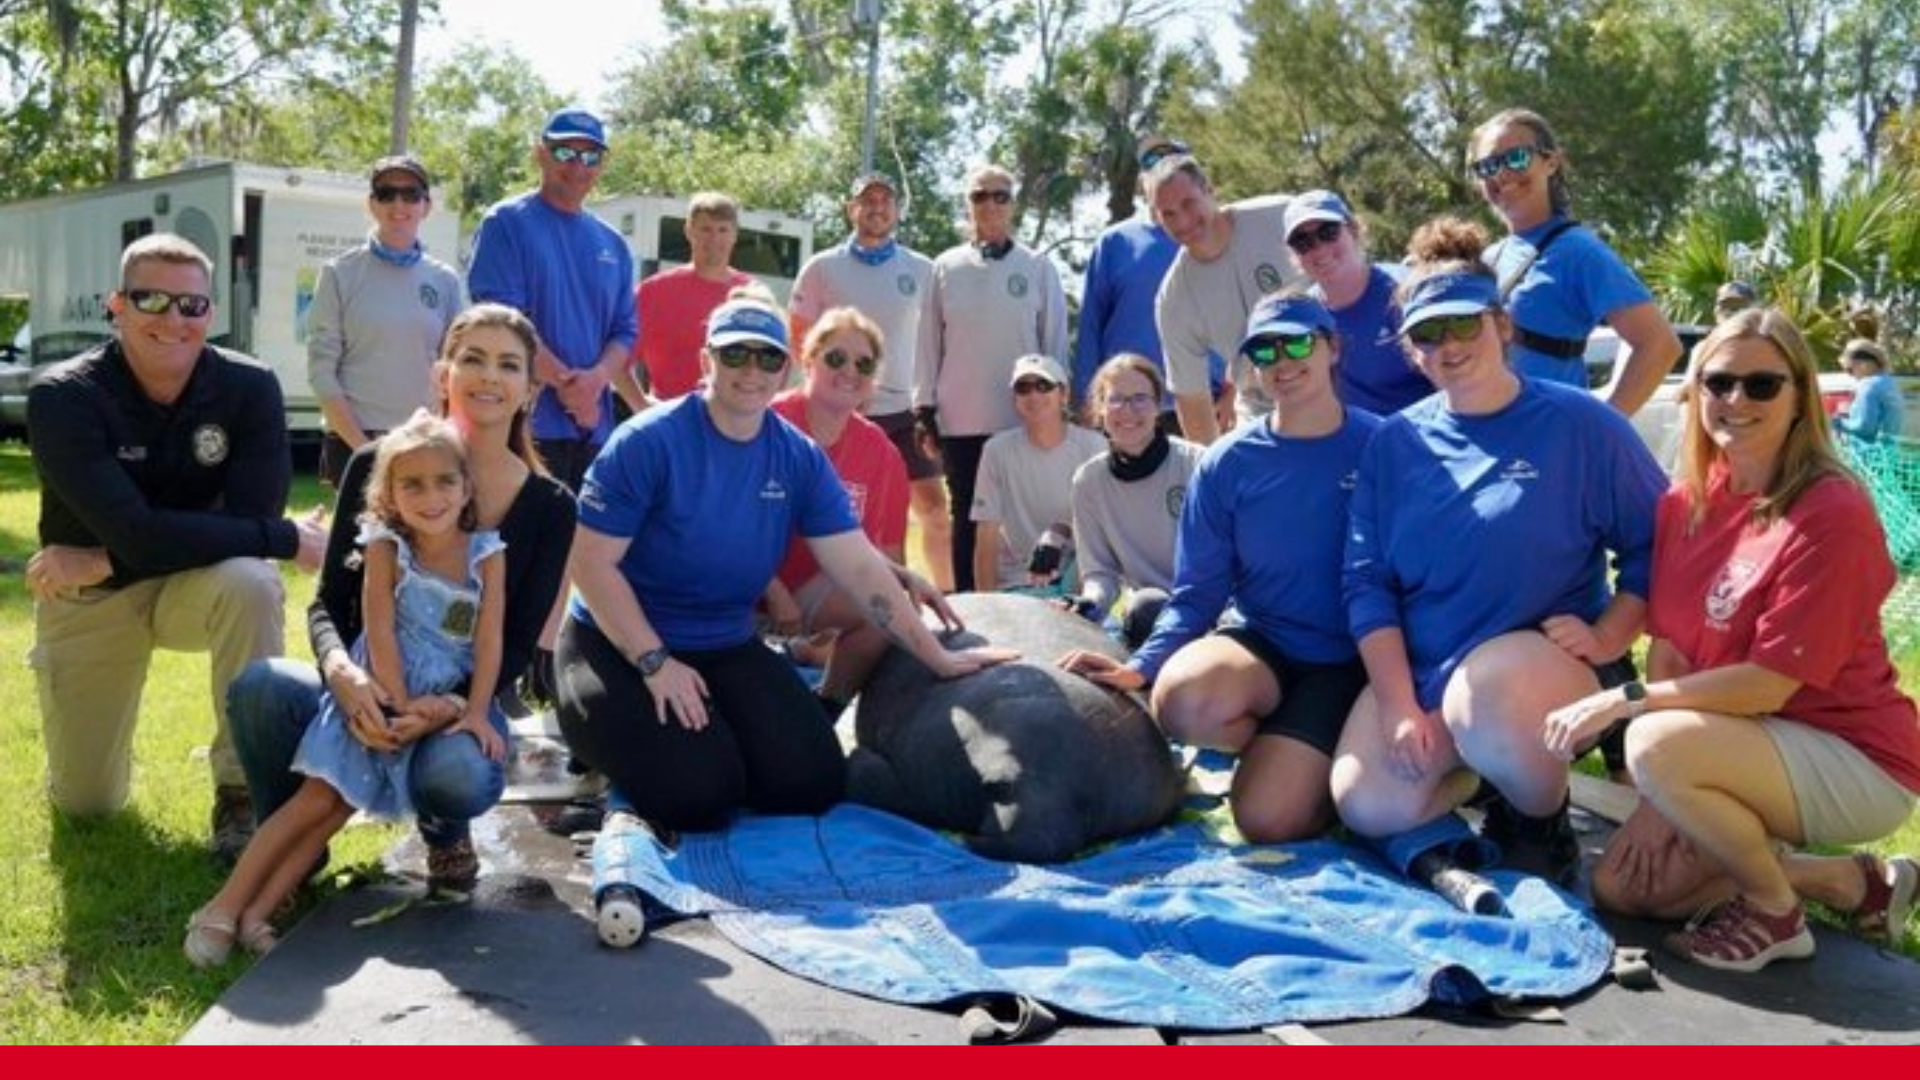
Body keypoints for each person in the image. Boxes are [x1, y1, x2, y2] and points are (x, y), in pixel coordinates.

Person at [1547, 309, 1920, 973]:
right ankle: (1852, 884)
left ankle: (1776, 914)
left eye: (1762, 385)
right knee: (1626, 888)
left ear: (1802, 395)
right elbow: (1671, 647)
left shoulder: (1832, 511)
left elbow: (1765, 686)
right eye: (1718, 382)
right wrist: (1660, 798)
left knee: (1653, 741)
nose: (1736, 400)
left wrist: (1629, 708)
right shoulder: (1686, 501)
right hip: (1737, 743)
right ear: (1696, 394)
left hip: (1854, 758)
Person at [556, 296, 1014, 835]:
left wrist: (936, 656)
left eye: (767, 359)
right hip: (617, 644)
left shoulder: (797, 457)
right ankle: (624, 760)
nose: (751, 371)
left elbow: (861, 568)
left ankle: (699, 746)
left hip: (724, 641)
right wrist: (654, 662)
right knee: (701, 797)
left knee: (811, 783)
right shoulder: (646, 442)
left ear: (784, 370)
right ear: (707, 362)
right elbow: (591, 566)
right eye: (735, 355)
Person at [1329, 218, 1668, 885]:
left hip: (1536, 674)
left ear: (1502, 325)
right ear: (1411, 352)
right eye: (1428, 334)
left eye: (1464, 324)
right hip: (1430, 673)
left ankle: (1539, 819)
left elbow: (1659, 543)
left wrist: (1608, 636)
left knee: (1482, 702)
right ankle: (1486, 781)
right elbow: (1366, 583)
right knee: (1366, 804)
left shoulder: (1584, 424)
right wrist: (1399, 704)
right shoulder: (1392, 445)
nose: (1449, 346)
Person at [229, 303, 577, 895]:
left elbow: (515, 645)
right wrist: (341, 672)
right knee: (262, 688)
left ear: (529, 391)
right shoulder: (376, 465)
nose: (489, 376)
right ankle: (286, 838)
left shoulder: (551, 506)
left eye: (508, 365)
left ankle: (445, 833)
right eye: (473, 359)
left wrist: (451, 706)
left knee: (459, 769)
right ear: (443, 375)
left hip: (466, 699)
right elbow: (327, 606)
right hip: (370, 679)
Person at [25, 232, 327, 861]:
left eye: (190, 305)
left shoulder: (249, 387)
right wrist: (285, 537)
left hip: (167, 580)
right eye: (151, 299)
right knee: (89, 805)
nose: (172, 319)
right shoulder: (64, 395)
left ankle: (244, 795)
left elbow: (247, 518)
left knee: (251, 580)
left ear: (209, 313)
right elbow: (156, 530)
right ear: (117, 305)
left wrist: (105, 553)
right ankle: (84, 766)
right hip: (91, 600)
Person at [186, 414, 509, 968]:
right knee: (312, 799)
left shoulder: (486, 552)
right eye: (412, 484)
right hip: (376, 693)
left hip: (431, 701)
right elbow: (377, 627)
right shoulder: (386, 546)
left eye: (444, 482)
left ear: (466, 486)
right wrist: (398, 705)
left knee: (336, 808)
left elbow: (490, 640)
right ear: (389, 493)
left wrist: (475, 711)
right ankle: (221, 907)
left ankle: (259, 914)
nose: (430, 497)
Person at [1059, 293, 1379, 843]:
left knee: (1266, 821)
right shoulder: (1228, 462)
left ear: (1333, 347)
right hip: (1266, 642)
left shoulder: (1384, 444)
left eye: (1298, 341)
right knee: (1182, 701)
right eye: (1263, 348)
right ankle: (1289, 746)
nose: (1282, 360)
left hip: (1356, 660)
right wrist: (1143, 667)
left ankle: (1315, 759)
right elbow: (1197, 590)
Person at [788, 173, 950, 591]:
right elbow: (798, 335)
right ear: (851, 208)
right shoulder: (821, 268)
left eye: (885, 199)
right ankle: (825, 592)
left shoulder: (924, 269)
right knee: (839, 509)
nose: (877, 207)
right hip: (839, 412)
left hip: (905, 410)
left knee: (933, 509)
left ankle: (952, 597)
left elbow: (941, 337)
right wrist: (829, 394)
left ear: (896, 210)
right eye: (867, 200)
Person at [915, 164, 1069, 592]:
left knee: (1027, 514)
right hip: (960, 417)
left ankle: (1044, 601)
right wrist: (924, 409)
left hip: (1021, 414)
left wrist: (1056, 404)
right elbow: (927, 342)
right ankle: (971, 606)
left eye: (1001, 195)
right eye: (981, 196)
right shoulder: (944, 267)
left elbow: (1054, 341)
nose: (991, 204)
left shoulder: (1037, 267)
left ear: (1014, 204)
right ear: (969, 204)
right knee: (967, 515)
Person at [467, 106, 637, 491]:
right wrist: (570, 387)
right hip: (521, 427)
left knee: (582, 549)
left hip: (593, 431)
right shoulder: (506, 222)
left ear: (602, 163)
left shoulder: (613, 244)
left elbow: (625, 330)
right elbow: (504, 325)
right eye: (565, 152)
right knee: (520, 549)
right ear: (540, 153)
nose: (578, 165)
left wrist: (594, 383)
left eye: (590, 155)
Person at [1468, 107, 1680, 414]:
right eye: (1487, 166)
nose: (1501, 174)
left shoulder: (1578, 251)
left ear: (1551, 162)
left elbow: (1660, 345)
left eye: (1516, 158)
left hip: (1550, 442)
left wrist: (1603, 429)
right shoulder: (1489, 257)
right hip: (1489, 440)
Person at [763, 306, 911, 709]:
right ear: (808, 361)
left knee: (886, 603)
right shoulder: (766, 420)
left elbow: (882, 553)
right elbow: (718, 531)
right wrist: (774, 592)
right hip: (738, 580)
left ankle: (829, 706)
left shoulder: (880, 452)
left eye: (864, 363)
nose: (850, 371)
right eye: (836, 358)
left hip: (811, 592)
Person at [308, 154, 463, 487]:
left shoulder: (445, 281)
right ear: (371, 204)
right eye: (387, 193)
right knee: (361, 541)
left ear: (426, 206)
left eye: (411, 194)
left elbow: (454, 371)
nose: (399, 203)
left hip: (423, 440)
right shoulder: (338, 274)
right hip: (354, 444)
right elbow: (321, 372)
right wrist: (367, 449)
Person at [1147, 151, 1303, 444]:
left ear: (1208, 189)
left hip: (1336, 385)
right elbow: (1191, 397)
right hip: (1263, 409)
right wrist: (1210, 470)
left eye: (1188, 204)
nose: (1182, 221)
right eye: (1168, 214)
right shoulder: (1174, 300)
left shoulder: (1283, 217)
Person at [1075, 134, 1218, 433]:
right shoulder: (1114, 243)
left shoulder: (1215, 233)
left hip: (1209, 401)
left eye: (1172, 160)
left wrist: (1233, 391)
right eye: (1151, 162)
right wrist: (1086, 404)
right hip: (1128, 410)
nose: (1161, 168)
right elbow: (1090, 326)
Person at [1061, 353, 1204, 647]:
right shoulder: (1088, 482)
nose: (1127, 411)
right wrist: (1089, 605)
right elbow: (1100, 572)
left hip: (1210, 609)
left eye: (1140, 398)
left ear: (1158, 405)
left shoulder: (1198, 464)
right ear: (1100, 409)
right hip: (1150, 614)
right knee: (1147, 605)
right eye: (1115, 399)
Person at [1281, 189, 1432, 415]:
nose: (1319, 248)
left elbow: (1452, 377)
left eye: (1328, 232)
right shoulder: (1303, 316)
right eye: (1303, 242)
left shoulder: (1407, 291)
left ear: (1353, 231)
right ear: (1295, 255)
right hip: (1356, 442)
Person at [971, 354, 1107, 594]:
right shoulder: (996, 450)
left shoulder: (1094, 446)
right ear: (1015, 398)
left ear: (1063, 394)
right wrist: (988, 604)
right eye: (1023, 388)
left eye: (1043, 386)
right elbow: (986, 534)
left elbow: (1105, 525)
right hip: (1017, 582)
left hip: (1080, 578)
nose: (1033, 395)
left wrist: (1059, 534)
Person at [627, 191, 753, 410]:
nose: (714, 239)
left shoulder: (752, 294)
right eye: (705, 229)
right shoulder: (653, 292)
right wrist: (641, 405)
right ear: (689, 231)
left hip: (734, 427)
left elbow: (775, 363)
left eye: (722, 230)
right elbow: (617, 359)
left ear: (734, 235)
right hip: (668, 427)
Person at [1835, 337, 1903, 444]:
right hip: (1889, 452)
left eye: (1849, 370)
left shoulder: (1868, 385)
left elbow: (1864, 427)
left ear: (1862, 364)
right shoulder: (1889, 382)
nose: (1851, 375)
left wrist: (1836, 422)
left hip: (1869, 455)